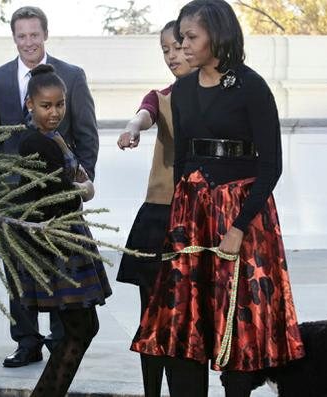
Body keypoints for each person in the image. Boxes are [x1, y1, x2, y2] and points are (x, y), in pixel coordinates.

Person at [130, 2, 306, 396]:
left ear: (218, 35)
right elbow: (183, 159)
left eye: (191, 38)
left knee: (238, 322)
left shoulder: (251, 86)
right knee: (184, 321)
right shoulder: (185, 90)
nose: (183, 46)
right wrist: (180, 218)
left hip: (240, 220)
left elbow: (271, 166)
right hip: (192, 216)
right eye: (180, 39)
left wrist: (240, 228)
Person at [0, 5, 99, 367]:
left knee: (60, 267)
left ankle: (60, 340)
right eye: (21, 35)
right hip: (13, 197)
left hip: (59, 195)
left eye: (34, 34)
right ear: (14, 37)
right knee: (19, 269)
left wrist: (81, 181)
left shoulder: (72, 75)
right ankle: (26, 341)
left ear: (44, 34)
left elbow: (86, 134)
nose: (28, 41)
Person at [16, 64, 110, 396]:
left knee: (83, 328)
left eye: (60, 105)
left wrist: (81, 186)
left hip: (70, 237)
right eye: (46, 106)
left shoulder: (52, 137)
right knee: (81, 329)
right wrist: (84, 190)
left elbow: (76, 179)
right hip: (59, 243)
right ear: (30, 104)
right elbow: (60, 193)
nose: (54, 112)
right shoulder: (35, 141)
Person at [115, 21, 194, 396]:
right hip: (159, 215)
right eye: (165, 50)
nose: (172, 56)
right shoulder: (161, 97)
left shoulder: (222, 97)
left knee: (188, 320)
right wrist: (132, 129)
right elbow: (144, 113)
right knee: (151, 317)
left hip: (198, 219)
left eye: (178, 46)